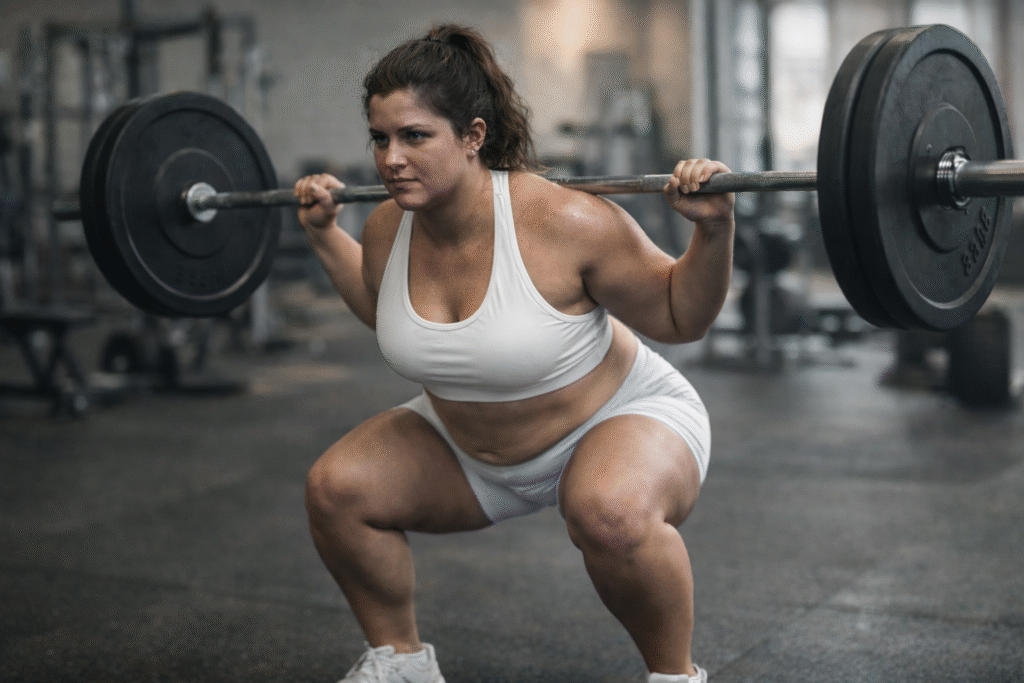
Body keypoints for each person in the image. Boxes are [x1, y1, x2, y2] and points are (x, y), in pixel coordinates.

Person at [294, 23, 734, 683]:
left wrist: (714, 229)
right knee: (337, 489)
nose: (390, 159)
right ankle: (402, 663)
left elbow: (680, 314)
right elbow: (384, 307)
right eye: (380, 138)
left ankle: (676, 676)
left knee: (609, 512)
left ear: (473, 136)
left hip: (618, 416)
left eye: (415, 136)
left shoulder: (567, 221)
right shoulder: (387, 224)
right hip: (473, 449)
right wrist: (327, 236)